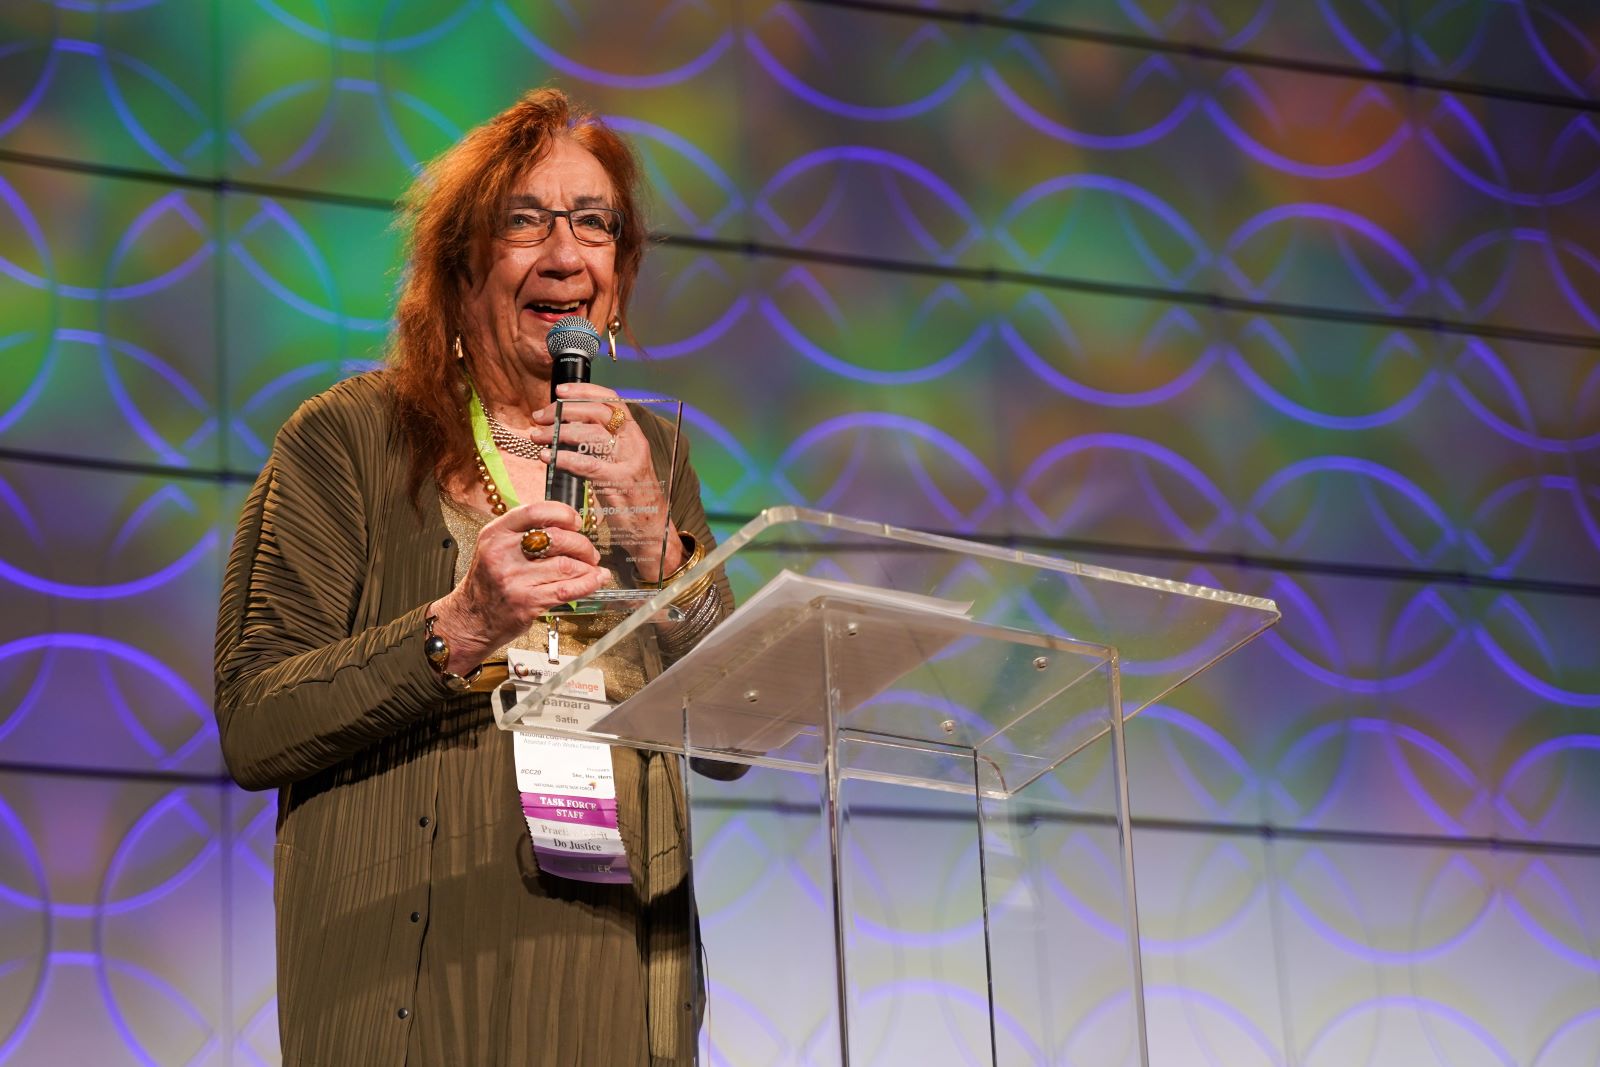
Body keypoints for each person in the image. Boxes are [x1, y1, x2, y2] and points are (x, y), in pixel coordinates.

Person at [214, 87, 729, 1066]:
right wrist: (454, 626)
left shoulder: (652, 456)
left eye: (593, 224)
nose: (563, 252)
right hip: (414, 985)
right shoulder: (349, 440)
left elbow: (738, 731)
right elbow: (256, 720)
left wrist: (662, 538)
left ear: (615, 288)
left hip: (614, 983)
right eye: (522, 221)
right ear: (457, 273)